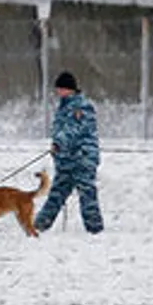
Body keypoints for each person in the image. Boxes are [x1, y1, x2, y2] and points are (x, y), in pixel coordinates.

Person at [33, 71, 104, 235]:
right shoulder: (64, 106)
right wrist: (58, 149)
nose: (57, 92)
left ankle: (95, 231)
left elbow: (74, 130)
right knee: (56, 194)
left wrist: (59, 143)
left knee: (87, 196)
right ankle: (38, 226)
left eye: (60, 88)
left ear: (68, 89)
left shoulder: (81, 106)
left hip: (82, 158)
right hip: (67, 160)